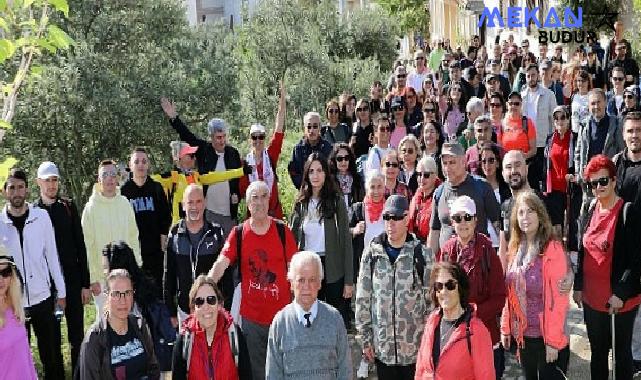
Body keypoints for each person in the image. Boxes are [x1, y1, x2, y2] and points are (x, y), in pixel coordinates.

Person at [208, 181, 298, 380]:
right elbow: (222, 263)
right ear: (247, 204)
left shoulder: (283, 232)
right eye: (254, 198)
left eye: (264, 196)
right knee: (257, 374)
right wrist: (204, 288)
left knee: (285, 370)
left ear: (270, 200)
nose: (259, 202)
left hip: (282, 318)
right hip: (251, 321)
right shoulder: (239, 233)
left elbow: (296, 270)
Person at [574, 154, 641, 380]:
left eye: (603, 181)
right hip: (592, 300)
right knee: (598, 353)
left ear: (614, 181)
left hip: (619, 301)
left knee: (621, 355)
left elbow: (637, 259)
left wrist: (621, 293)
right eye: (593, 183)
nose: (599, 187)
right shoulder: (590, 208)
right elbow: (582, 250)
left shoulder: (627, 211)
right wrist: (578, 285)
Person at [355, 195, 432, 380]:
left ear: (406, 218)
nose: (391, 223)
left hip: (414, 349)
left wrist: (429, 342)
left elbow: (431, 303)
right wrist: (366, 339)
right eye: (387, 217)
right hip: (383, 349)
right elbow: (363, 298)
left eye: (396, 217)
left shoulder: (422, 254)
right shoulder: (372, 253)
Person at [1, 168, 66, 379]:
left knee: (52, 357)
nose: (17, 192)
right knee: (18, 358)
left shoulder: (42, 217)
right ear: (4, 191)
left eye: (21, 187)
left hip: (43, 298)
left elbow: (52, 256)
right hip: (13, 304)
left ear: (27, 189)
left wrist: (61, 291)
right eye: (12, 188)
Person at [501, 191, 570, 380]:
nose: (525, 217)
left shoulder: (552, 249)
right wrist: (506, 327)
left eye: (531, 211)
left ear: (540, 214)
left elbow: (559, 300)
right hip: (524, 338)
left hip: (547, 339)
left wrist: (553, 342)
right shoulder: (515, 249)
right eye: (521, 212)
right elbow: (510, 293)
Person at [436, 196, 506, 378]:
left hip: (485, 335)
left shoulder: (488, 252)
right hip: (455, 337)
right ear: (452, 222)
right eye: (458, 218)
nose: (463, 222)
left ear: (476, 220)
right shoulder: (447, 251)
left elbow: (499, 297)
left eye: (467, 217)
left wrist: (472, 313)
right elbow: (438, 291)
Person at [35, 161, 91, 372]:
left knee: (77, 335)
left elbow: (80, 245)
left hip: (73, 281)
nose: (51, 185)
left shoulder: (68, 207)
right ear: (38, 182)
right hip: (49, 288)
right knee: (53, 338)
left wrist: (85, 284)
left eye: (54, 180)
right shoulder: (34, 212)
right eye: (47, 181)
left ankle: (79, 373)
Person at [161, 98, 243, 234]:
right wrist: (174, 117)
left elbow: (237, 179)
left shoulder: (233, 153)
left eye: (223, 136)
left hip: (229, 214)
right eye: (218, 137)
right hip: (208, 211)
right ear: (211, 137)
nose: (222, 140)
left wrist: (236, 195)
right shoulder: (204, 150)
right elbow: (187, 135)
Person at [289, 154, 353, 326]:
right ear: (306, 175)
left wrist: (348, 281)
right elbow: (291, 239)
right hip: (308, 267)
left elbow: (346, 241)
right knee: (309, 319)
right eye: (311, 171)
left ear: (326, 174)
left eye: (319, 171)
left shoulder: (336, 201)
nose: (315, 175)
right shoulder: (301, 203)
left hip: (332, 268)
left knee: (332, 321)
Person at [266, 251, 352, 379]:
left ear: (320, 283)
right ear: (291, 283)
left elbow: (345, 371)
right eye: (300, 280)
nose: (306, 286)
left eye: (312, 280)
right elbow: (273, 374)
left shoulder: (334, 319)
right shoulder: (280, 323)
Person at [414, 261, 495, 379]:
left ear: (461, 288)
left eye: (450, 285)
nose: (444, 292)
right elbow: (421, 368)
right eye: (439, 286)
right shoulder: (432, 321)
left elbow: (486, 377)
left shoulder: (476, 331)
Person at [82, 159, 141, 316]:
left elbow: (133, 237)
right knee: (106, 322)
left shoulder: (125, 204)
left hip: (127, 276)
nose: (109, 178)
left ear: (117, 178)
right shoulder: (90, 209)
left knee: (129, 319)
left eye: (113, 174)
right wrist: (93, 278)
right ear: (99, 179)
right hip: (102, 281)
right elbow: (87, 245)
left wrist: (137, 268)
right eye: (105, 174)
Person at [77, 269, 160, 379]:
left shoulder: (140, 325)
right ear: (107, 296)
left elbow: (153, 369)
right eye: (116, 294)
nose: (123, 300)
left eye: (127, 293)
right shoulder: (95, 338)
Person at [164, 184, 227, 326]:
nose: (194, 206)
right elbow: (169, 275)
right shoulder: (174, 234)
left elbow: (226, 276)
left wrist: (224, 305)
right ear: (183, 205)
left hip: (211, 308)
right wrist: (171, 311)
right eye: (190, 202)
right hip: (184, 311)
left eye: (198, 201)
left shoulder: (216, 233)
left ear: (205, 203)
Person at [172, 275, 251, 380]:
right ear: (193, 309)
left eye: (211, 300)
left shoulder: (235, 335)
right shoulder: (184, 341)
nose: (206, 306)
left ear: (219, 304)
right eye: (199, 301)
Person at [152, 141, 248, 225]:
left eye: (194, 155)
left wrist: (242, 171)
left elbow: (219, 176)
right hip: (179, 230)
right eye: (191, 155)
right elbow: (148, 179)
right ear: (180, 158)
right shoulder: (172, 178)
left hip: (197, 226)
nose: (194, 158)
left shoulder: (196, 176)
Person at [429, 142, 500, 253]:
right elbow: (434, 231)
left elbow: (497, 224)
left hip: (477, 260)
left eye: (452, 162)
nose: (447, 168)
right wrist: (430, 265)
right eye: (444, 163)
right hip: (448, 263)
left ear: (463, 162)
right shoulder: (439, 192)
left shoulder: (482, 187)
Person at [612, 112, 641, 374]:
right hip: (621, 247)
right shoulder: (616, 164)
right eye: (630, 131)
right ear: (623, 134)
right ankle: (629, 359)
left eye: (638, 130)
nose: (635, 135)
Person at [121, 147, 172, 295]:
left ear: (148, 164)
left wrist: (163, 237)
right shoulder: (124, 192)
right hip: (133, 251)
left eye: (144, 161)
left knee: (157, 293)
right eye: (137, 162)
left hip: (155, 251)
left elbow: (165, 216)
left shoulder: (156, 188)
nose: (141, 165)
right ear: (130, 165)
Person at [239, 83, 286, 219]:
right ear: (250, 139)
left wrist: (282, 102)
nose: (258, 140)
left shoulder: (271, 154)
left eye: (261, 137)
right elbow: (242, 192)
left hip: (274, 214)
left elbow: (279, 127)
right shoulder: (244, 163)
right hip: (254, 217)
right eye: (254, 137)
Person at [0, 253, 37, 380]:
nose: (1, 279)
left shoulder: (15, 306)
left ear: (12, 276)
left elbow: (25, 356)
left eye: (5, 272)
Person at [543, 106, 577, 239]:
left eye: (563, 117)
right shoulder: (550, 139)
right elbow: (546, 164)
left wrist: (575, 175)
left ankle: (571, 255)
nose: (559, 121)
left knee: (570, 226)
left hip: (570, 188)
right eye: (556, 118)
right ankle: (559, 255)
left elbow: (578, 159)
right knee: (556, 227)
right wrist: (545, 186)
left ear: (568, 119)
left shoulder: (574, 137)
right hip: (554, 189)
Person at [522, 63, 557, 192]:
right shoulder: (521, 96)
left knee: (544, 181)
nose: (531, 78)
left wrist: (552, 142)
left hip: (544, 144)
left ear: (538, 75)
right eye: (528, 76)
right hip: (528, 146)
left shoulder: (549, 95)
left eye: (533, 75)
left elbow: (554, 120)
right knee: (530, 183)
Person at [476, 144, 511, 248]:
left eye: (491, 160)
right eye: (484, 161)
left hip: (503, 245)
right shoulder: (475, 188)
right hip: (482, 245)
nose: (487, 165)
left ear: (498, 163)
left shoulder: (507, 189)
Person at [288, 111, 333, 189]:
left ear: (320, 127)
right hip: (305, 192)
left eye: (315, 126)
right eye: (309, 127)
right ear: (304, 128)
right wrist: (306, 187)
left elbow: (332, 171)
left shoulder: (327, 147)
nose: (311, 130)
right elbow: (294, 172)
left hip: (325, 191)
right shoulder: (298, 149)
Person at [408, 156, 440, 243]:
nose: (421, 179)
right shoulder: (417, 195)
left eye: (426, 175)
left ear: (434, 176)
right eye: (418, 174)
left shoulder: (440, 196)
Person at [498, 91, 537, 159]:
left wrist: (523, 156)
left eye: (516, 104)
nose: (513, 106)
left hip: (523, 164)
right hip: (507, 164)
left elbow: (533, 150)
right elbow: (499, 150)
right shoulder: (502, 124)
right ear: (507, 105)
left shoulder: (527, 123)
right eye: (511, 103)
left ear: (521, 105)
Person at [328, 142, 364, 210]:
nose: (343, 162)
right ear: (334, 160)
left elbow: (362, 202)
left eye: (346, 158)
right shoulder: (329, 181)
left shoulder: (358, 180)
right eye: (339, 159)